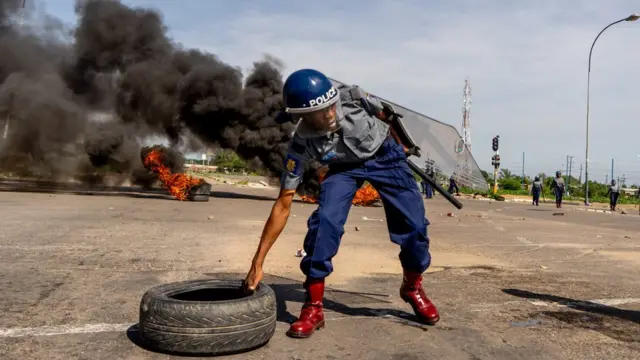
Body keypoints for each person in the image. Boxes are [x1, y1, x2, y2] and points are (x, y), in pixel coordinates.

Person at [242, 69, 439, 339]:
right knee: (325, 222)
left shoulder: (357, 99)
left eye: (331, 105)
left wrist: (403, 147)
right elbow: (283, 203)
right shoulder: (300, 145)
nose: (331, 114)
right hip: (343, 169)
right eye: (320, 112)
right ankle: (313, 307)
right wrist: (258, 262)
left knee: (415, 226)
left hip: (385, 157)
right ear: (301, 116)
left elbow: (389, 117)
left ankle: (412, 287)